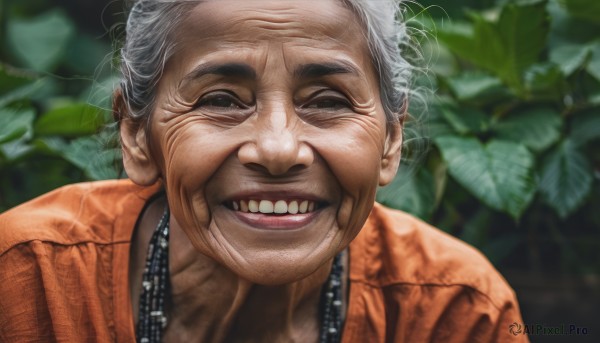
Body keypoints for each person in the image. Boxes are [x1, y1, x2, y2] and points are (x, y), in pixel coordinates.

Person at [0, 0, 528, 342]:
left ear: (390, 140)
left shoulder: (454, 314)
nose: (278, 149)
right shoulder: (26, 284)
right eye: (222, 100)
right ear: (138, 137)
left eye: (327, 101)